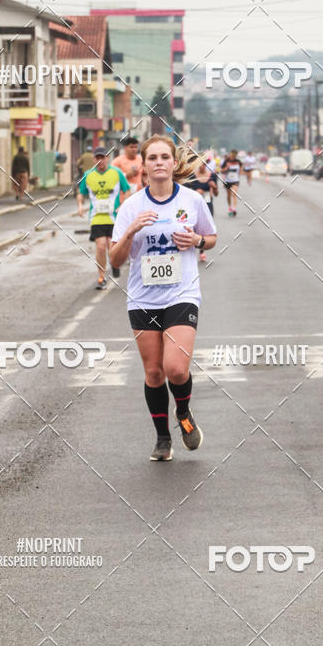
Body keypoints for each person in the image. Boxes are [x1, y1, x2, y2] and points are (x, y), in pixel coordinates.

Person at [109, 135, 217, 461]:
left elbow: (211, 238)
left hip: (182, 293)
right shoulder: (131, 206)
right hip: (143, 299)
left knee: (176, 369)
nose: (158, 162)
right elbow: (115, 260)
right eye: (152, 157)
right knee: (154, 373)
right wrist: (130, 231)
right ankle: (162, 438)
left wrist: (197, 240)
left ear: (173, 163)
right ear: (143, 164)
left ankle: (182, 411)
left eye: (164, 157)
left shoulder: (192, 200)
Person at [77, 147, 130, 290]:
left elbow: (127, 190)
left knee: (110, 246)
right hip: (97, 218)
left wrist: (122, 205)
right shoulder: (88, 175)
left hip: (114, 218)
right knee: (100, 247)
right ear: (94, 160)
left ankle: (114, 263)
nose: (100, 161)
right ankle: (101, 277)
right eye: (98, 158)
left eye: (103, 157)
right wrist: (80, 205)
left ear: (107, 158)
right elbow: (81, 193)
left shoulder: (116, 173)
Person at [184, 158, 218, 261]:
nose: (202, 166)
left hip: (208, 203)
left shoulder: (212, 175)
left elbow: (216, 194)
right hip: (193, 205)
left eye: (203, 164)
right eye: (200, 164)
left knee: (205, 229)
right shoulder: (191, 176)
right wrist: (195, 192)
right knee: (194, 227)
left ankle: (202, 250)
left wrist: (214, 187)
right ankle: (194, 247)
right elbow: (184, 191)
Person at [220, 149, 243, 217]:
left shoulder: (238, 162)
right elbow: (221, 170)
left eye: (233, 156)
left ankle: (234, 209)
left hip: (235, 180)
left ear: (235, 156)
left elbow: (241, 168)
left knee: (234, 194)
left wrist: (240, 172)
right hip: (227, 181)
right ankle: (230, 207)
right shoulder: (226, 161)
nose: (231, 157)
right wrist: (226, 168)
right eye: (231, 155)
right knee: (228, 195)